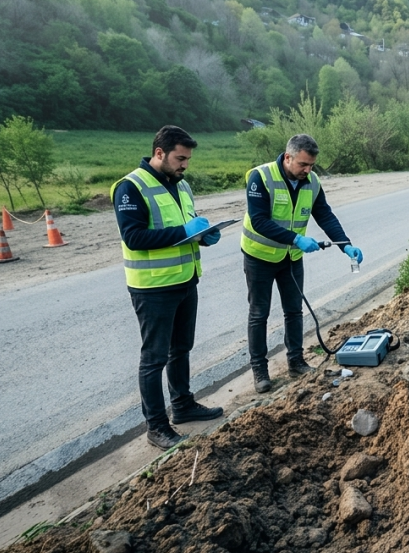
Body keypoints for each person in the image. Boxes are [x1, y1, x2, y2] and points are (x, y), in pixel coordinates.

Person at [112, 126, 224, 450]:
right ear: (159, 153)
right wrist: (183, 231)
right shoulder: (131, 187)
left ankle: (183, 405)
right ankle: (156, 427)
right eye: (180, 158)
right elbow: (133, 237)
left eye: (188, 159)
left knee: (181, 349)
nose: (185, 165)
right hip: (153, 289)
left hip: (186, 280)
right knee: (154, 359)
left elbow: (183, 228)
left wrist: (203, 235)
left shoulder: (182, 185)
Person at [241, 134, 363, 393]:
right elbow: (259, 220)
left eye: (311, 166)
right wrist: (296, 238)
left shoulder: (312, 182)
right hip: (260, 257)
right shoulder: (261, 178)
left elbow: (324, 215)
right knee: (259, 313)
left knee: (294, 310)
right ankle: (260, 371)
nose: (307, 170)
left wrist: (345, 244)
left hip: (291, 259)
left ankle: (296, 361)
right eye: (303, 165)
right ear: (288, 157)